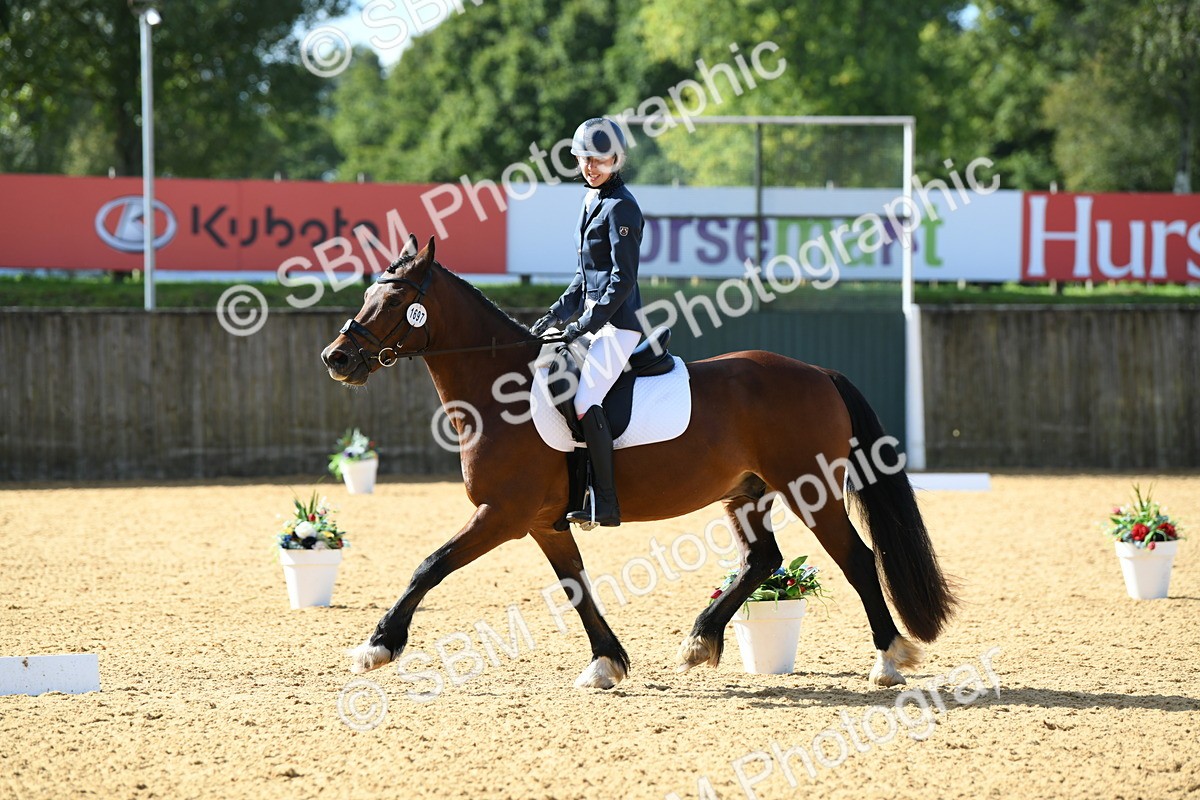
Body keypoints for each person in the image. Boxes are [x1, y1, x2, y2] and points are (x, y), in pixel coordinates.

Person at [529, 117, 644, 527]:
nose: (591, 166)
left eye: (600, 159)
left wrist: (585, 325)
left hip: (620, 325)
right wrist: (556, 315)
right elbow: (585, 278)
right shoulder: (590, 201)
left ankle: (607, 503)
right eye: (584, 159)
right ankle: (570, 495)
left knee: (583, 399)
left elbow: (621, 279)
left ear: (617, 159)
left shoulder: (623, 206)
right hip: (595, 321)